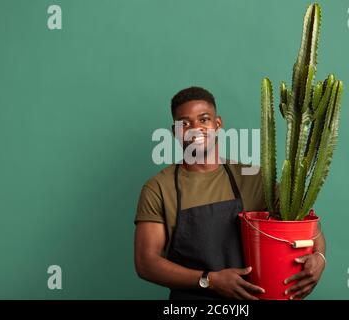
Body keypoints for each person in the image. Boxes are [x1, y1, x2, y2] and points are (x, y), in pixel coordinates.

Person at [134, 86, 326, 300]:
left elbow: (305, 224)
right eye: (185, 123)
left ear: (218, 125)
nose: (196, 128)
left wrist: (319, 257)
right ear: (175, 131)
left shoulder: (254, 178)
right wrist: (210, 280)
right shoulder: (159, 188)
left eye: (204, 119)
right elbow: (146, 263)